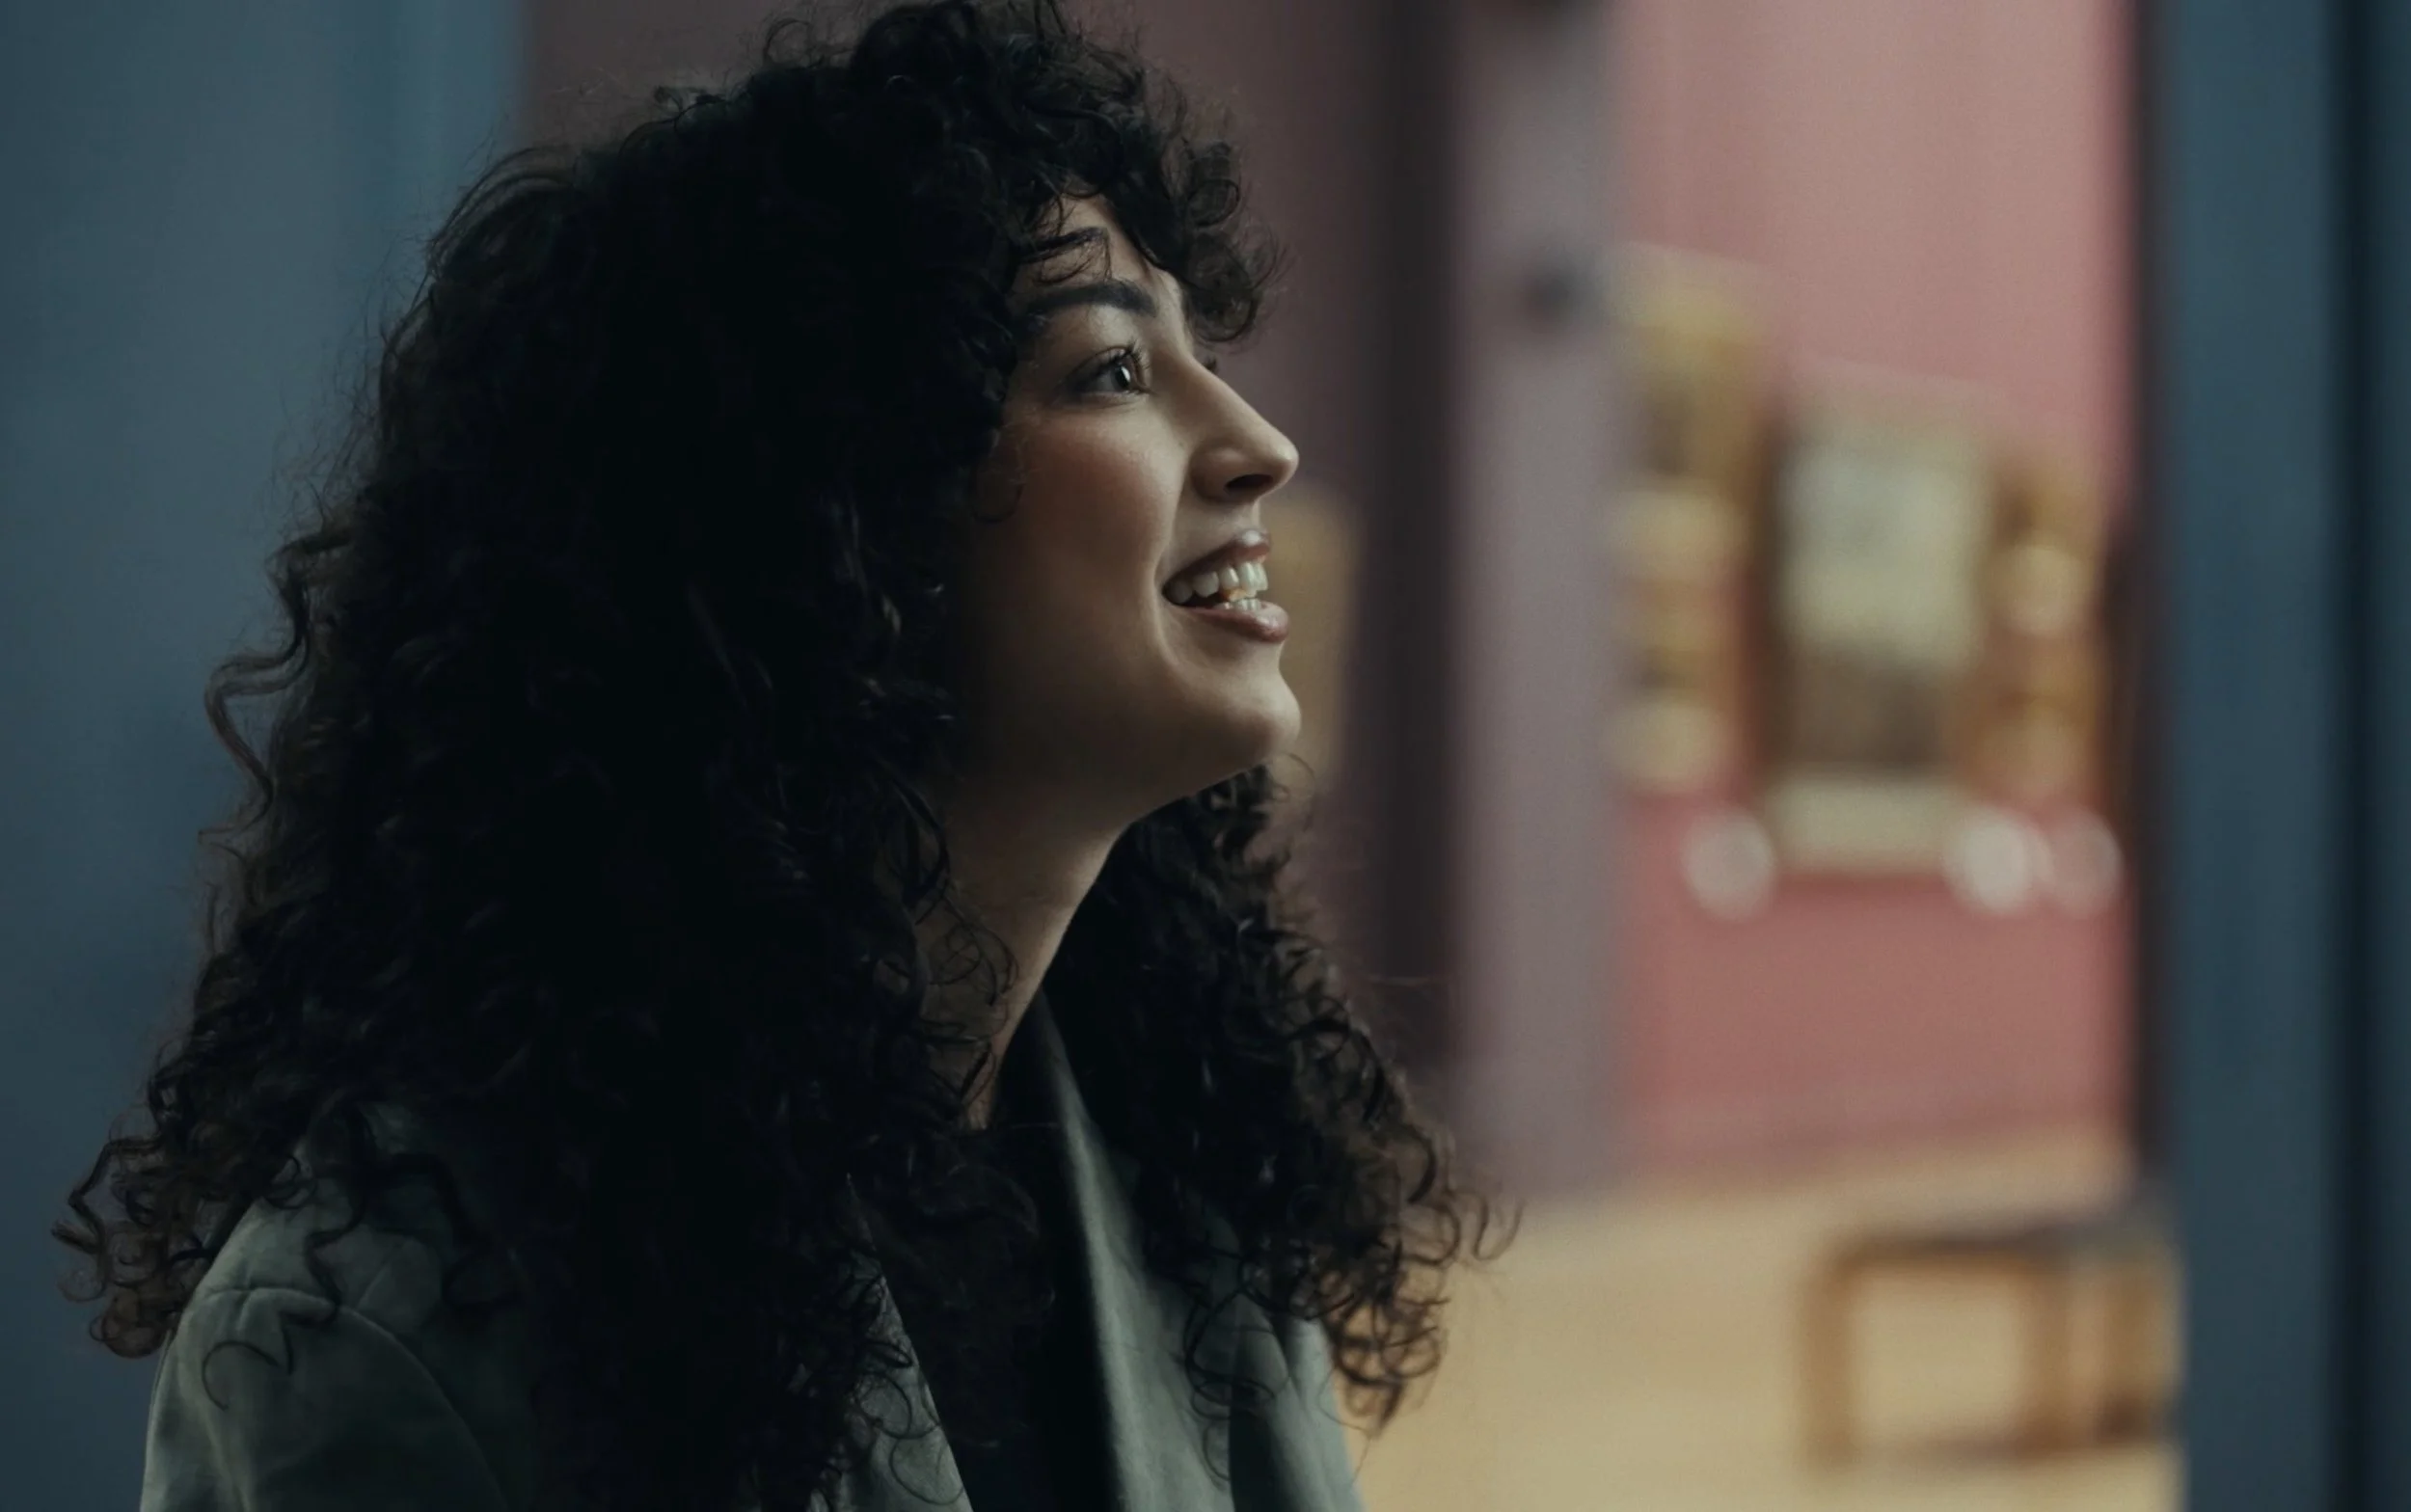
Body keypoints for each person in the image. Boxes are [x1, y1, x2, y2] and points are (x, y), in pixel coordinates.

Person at [55, 2, 1512, 1507]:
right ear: (832, 527)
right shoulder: (388, 1323)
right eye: (1111, 373)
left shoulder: (1191, 1177)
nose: (1259, 441)